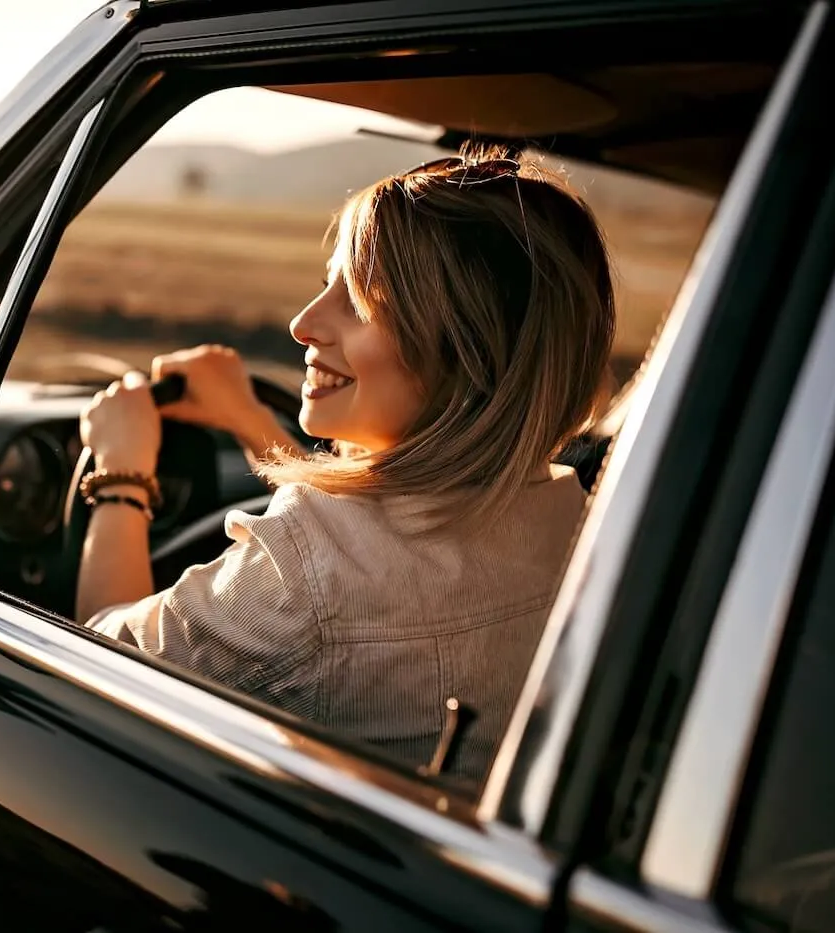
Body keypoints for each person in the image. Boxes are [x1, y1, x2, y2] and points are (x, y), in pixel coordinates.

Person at [74, 146, 615, 781]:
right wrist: (253, 424)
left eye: (358, 298)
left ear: (467, 353)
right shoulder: (570, 514)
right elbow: (386, 550)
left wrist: (121, 477)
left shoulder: (301, 570)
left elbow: (97, 663)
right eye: (326, 282)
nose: (304, 324)